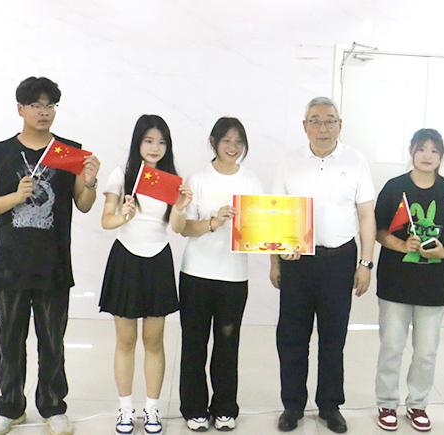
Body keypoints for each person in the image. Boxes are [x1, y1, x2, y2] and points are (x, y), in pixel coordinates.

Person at [0, 77, 100, 435]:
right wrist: (16, 197)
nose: (44, 112)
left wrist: (90, 181)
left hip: (53, 263)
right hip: (10, 263)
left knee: (52, 341)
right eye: (36, 105)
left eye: (50, 105)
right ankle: (10, 407)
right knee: (10, 341)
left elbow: (84, 204)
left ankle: (52, 406)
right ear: (20, 109)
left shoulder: (67, 152)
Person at [270, 97, 376, 434]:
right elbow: (275, 214)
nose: (323, 127)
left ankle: (330, 405)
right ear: (305, 126)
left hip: (339, 261)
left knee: (333, 337)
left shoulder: (355, 160)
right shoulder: (289, 161)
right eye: (315, 120)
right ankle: (293, 405)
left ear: (340, 124)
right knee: (292, 337)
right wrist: (275, 261)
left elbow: (366, 215)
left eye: (330, 120)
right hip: (296, 263)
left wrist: (366, 263)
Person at [99, 115, 192, 435]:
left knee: (154, 341)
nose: (155, 147)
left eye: (162, 142)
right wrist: (123, 215)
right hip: (126, 259)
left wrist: (180, 205)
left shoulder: (171, 180)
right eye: (149, 140)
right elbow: (106, 221)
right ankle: (125, 409)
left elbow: (177, 228)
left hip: (157, 260)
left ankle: (152, 408)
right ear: (138, 142)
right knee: (125, 341)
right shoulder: (122, 175)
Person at [374, 129, 444, 432]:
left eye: (434, 150)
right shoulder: (394, 188)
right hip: (395, 282)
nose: (428, 155)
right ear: (411, 151)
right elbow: (378, 231)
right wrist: (402, 246)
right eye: (422, 149)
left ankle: (417, 404)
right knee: (391, 347)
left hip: (433, 285)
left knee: (426, 351)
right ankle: (387, 402)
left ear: (441, 156)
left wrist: (443, 252)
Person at [176, 117, 264, 432]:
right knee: (194, 343)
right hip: (196, 274)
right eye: (226, 140)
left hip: (234, 276)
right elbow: (185, 228)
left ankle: (225, 408)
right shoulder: (197, 178)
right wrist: (214, 221)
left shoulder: (251, 182)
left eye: (239, 141)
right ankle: (194, 408)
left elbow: (260, 230)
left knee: (227, 344)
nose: (233, 147)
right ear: (214, 142)